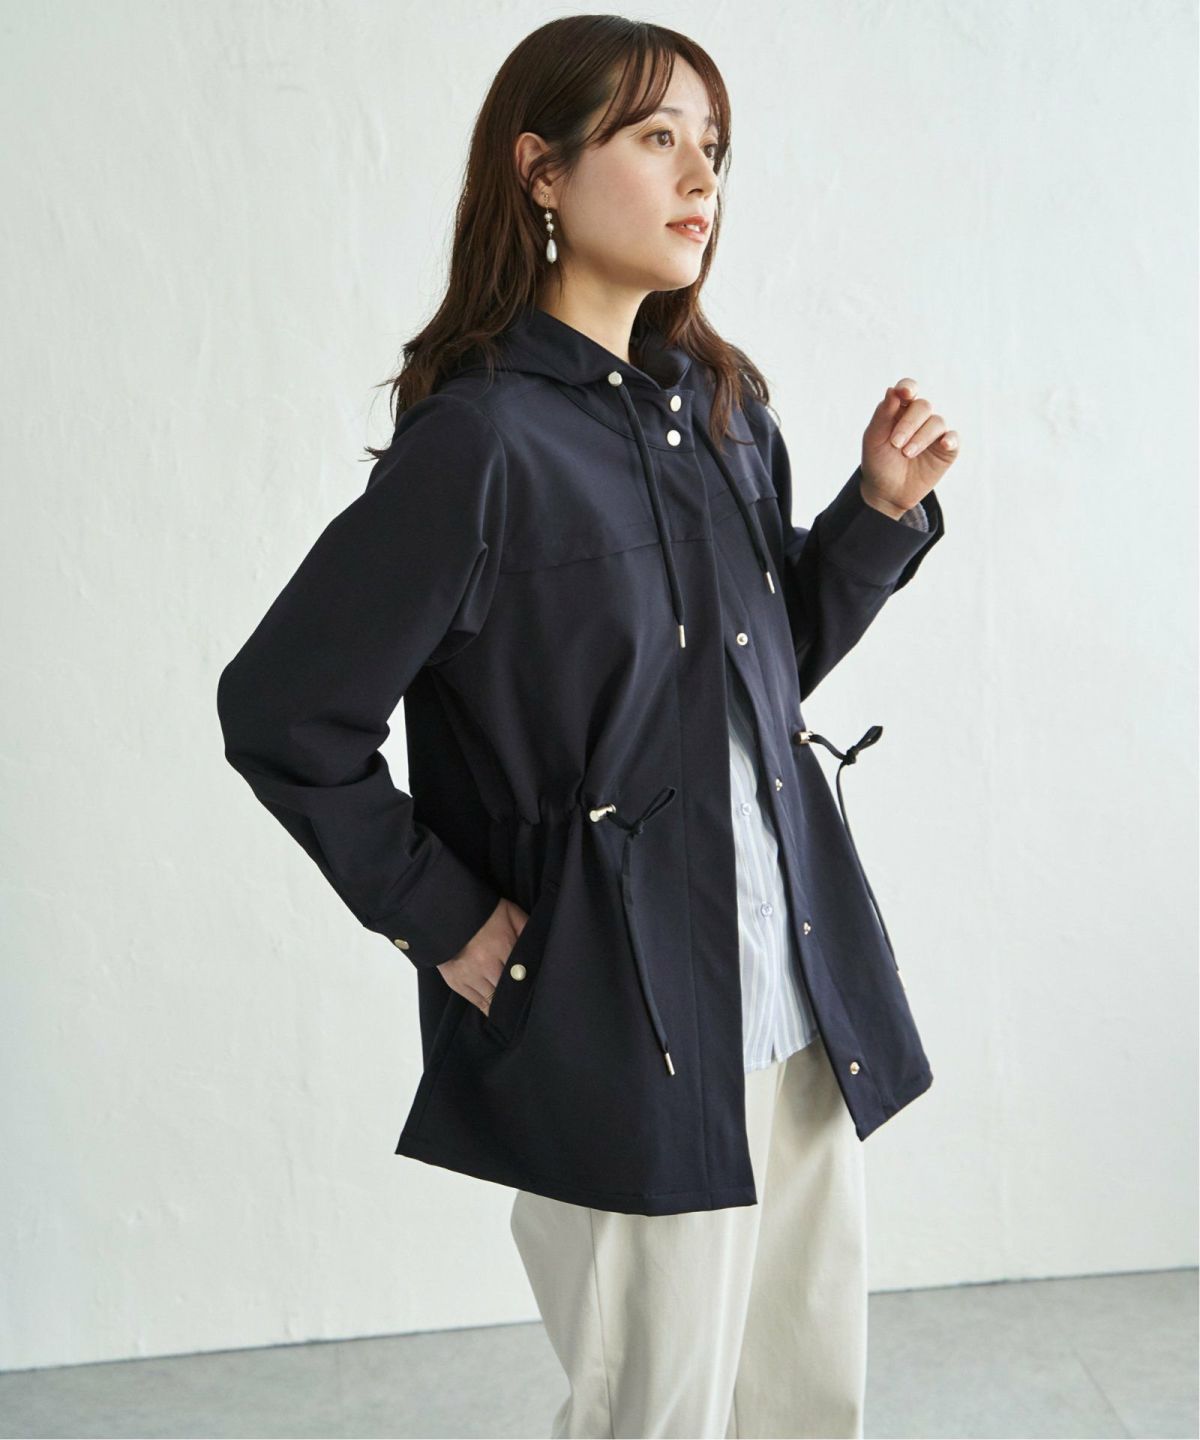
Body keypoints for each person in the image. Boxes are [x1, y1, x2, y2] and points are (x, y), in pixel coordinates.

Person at [216, 15, 958, 1438]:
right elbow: (283, 711)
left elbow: (753, 684)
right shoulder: (482, 446)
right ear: (541, 171)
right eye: (656, 137)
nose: (701, 178)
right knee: (652, 1414)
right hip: (621, 1022)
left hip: (792, 994)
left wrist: (873, 515)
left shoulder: (724, 413)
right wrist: (449, 921)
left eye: (713, 146)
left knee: (807, 1406)